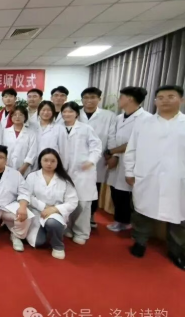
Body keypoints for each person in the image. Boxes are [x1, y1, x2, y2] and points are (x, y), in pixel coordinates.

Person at [124, 85, 185, 270]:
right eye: (161, 97)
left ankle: (176, 251)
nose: (165, 100)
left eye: (171, 96)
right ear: (155, 101)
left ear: (181, 100)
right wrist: (129, 171)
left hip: (178, 179)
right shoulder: (144, 123)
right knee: (142, 212)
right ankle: (140, 242)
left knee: (180, 216)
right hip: (147, 176)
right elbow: (132, 148)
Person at [106, 87, 151, 232]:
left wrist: (113, 152)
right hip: (117, 159)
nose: (118, 100)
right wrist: (113, 155)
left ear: (130, 99)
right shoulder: (119, 118)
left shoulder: (146, 119)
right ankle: (119, 220)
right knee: (115, 191)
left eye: (121, 97)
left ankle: (126, 222)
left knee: (127, 194)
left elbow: (135, 143)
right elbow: (113, 137)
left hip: (133, 161)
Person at [60, 101, 102, 245]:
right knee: (66, 201)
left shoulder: (86, 128)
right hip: (64, 171)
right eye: (64, 112)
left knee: (83, 203)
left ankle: (81, 232)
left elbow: (96, 147)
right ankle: (67, 228)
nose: (67, 114)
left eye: (70, 111)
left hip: (83, 171)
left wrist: (91, 161)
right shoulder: (59, 129)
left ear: (77, 114)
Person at [25, 149, 79, 260]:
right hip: (36, 212)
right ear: (40, 161)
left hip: (55, 213)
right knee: (38, 243)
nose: (49, 164)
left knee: (53, 223)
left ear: (57, 162)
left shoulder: (64, 179)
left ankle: (58, 246)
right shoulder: (32, 176)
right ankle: (50, 232)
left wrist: (54, 209)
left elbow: (72, 201)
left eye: (53, 161)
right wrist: (44, 207)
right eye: (45, 160)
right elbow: (27, 196)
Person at [79, 87, 117, 229]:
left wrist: (111, 155)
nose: (89, 100)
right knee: (75, 187)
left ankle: (90, 215)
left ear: (99, 99)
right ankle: (75, 216)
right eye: (86, 98)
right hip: (76, 157)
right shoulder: (75, 113)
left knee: (94, 187)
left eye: (93, 97)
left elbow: (112, 136)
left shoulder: (109, 116)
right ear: (82, 99)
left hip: (98, 158)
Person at [2, 106, 38, 177]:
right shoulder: (4, 132)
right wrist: (5, 166)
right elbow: (1, 150)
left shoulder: (31, 134)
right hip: (6, 168)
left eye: (20, 115)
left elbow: (32, 153)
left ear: (25, 117)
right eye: (15, 115)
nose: (17, 117)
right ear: (11, 117)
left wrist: (22, 170)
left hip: (25, 171)